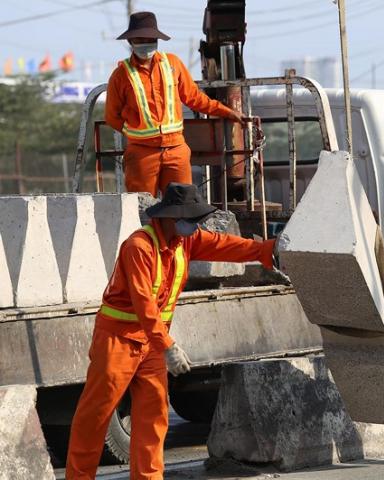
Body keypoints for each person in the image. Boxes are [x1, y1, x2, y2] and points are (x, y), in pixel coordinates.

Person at [66, 183, 275, 479]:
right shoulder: (139, 247)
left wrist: (266, 250)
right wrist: (167, 345)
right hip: (118, 341)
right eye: (189, 219)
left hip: (152, 344)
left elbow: (224, 245)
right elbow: (143, 303)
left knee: (153, 419)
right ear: (168, 217)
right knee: (95, 417)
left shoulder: (183, 241)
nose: (194, 226)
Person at [105, 11, 244, 196]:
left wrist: (226, 112)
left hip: (176, 150)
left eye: (149, 38)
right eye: (140, 39)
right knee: (142, 210)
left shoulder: (173, 64)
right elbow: (111, 116)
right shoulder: (120, 75)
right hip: (141, 153)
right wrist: (136, 134)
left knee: (181, 206)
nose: (145, 43)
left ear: (157, 40)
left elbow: (194, 98)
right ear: (130, 42)